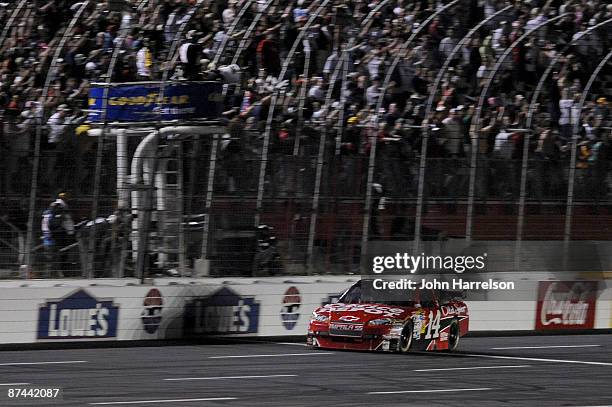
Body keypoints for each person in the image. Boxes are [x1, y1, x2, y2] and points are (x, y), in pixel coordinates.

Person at [41, 193, 75, 277]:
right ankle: (56, 273)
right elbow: (66, 223)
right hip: (55, 235)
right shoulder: (59, 208)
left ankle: (50, 274)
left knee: (51, 256)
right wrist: (70, 233)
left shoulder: (50, 210)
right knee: (57, 255)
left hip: (49, 235)